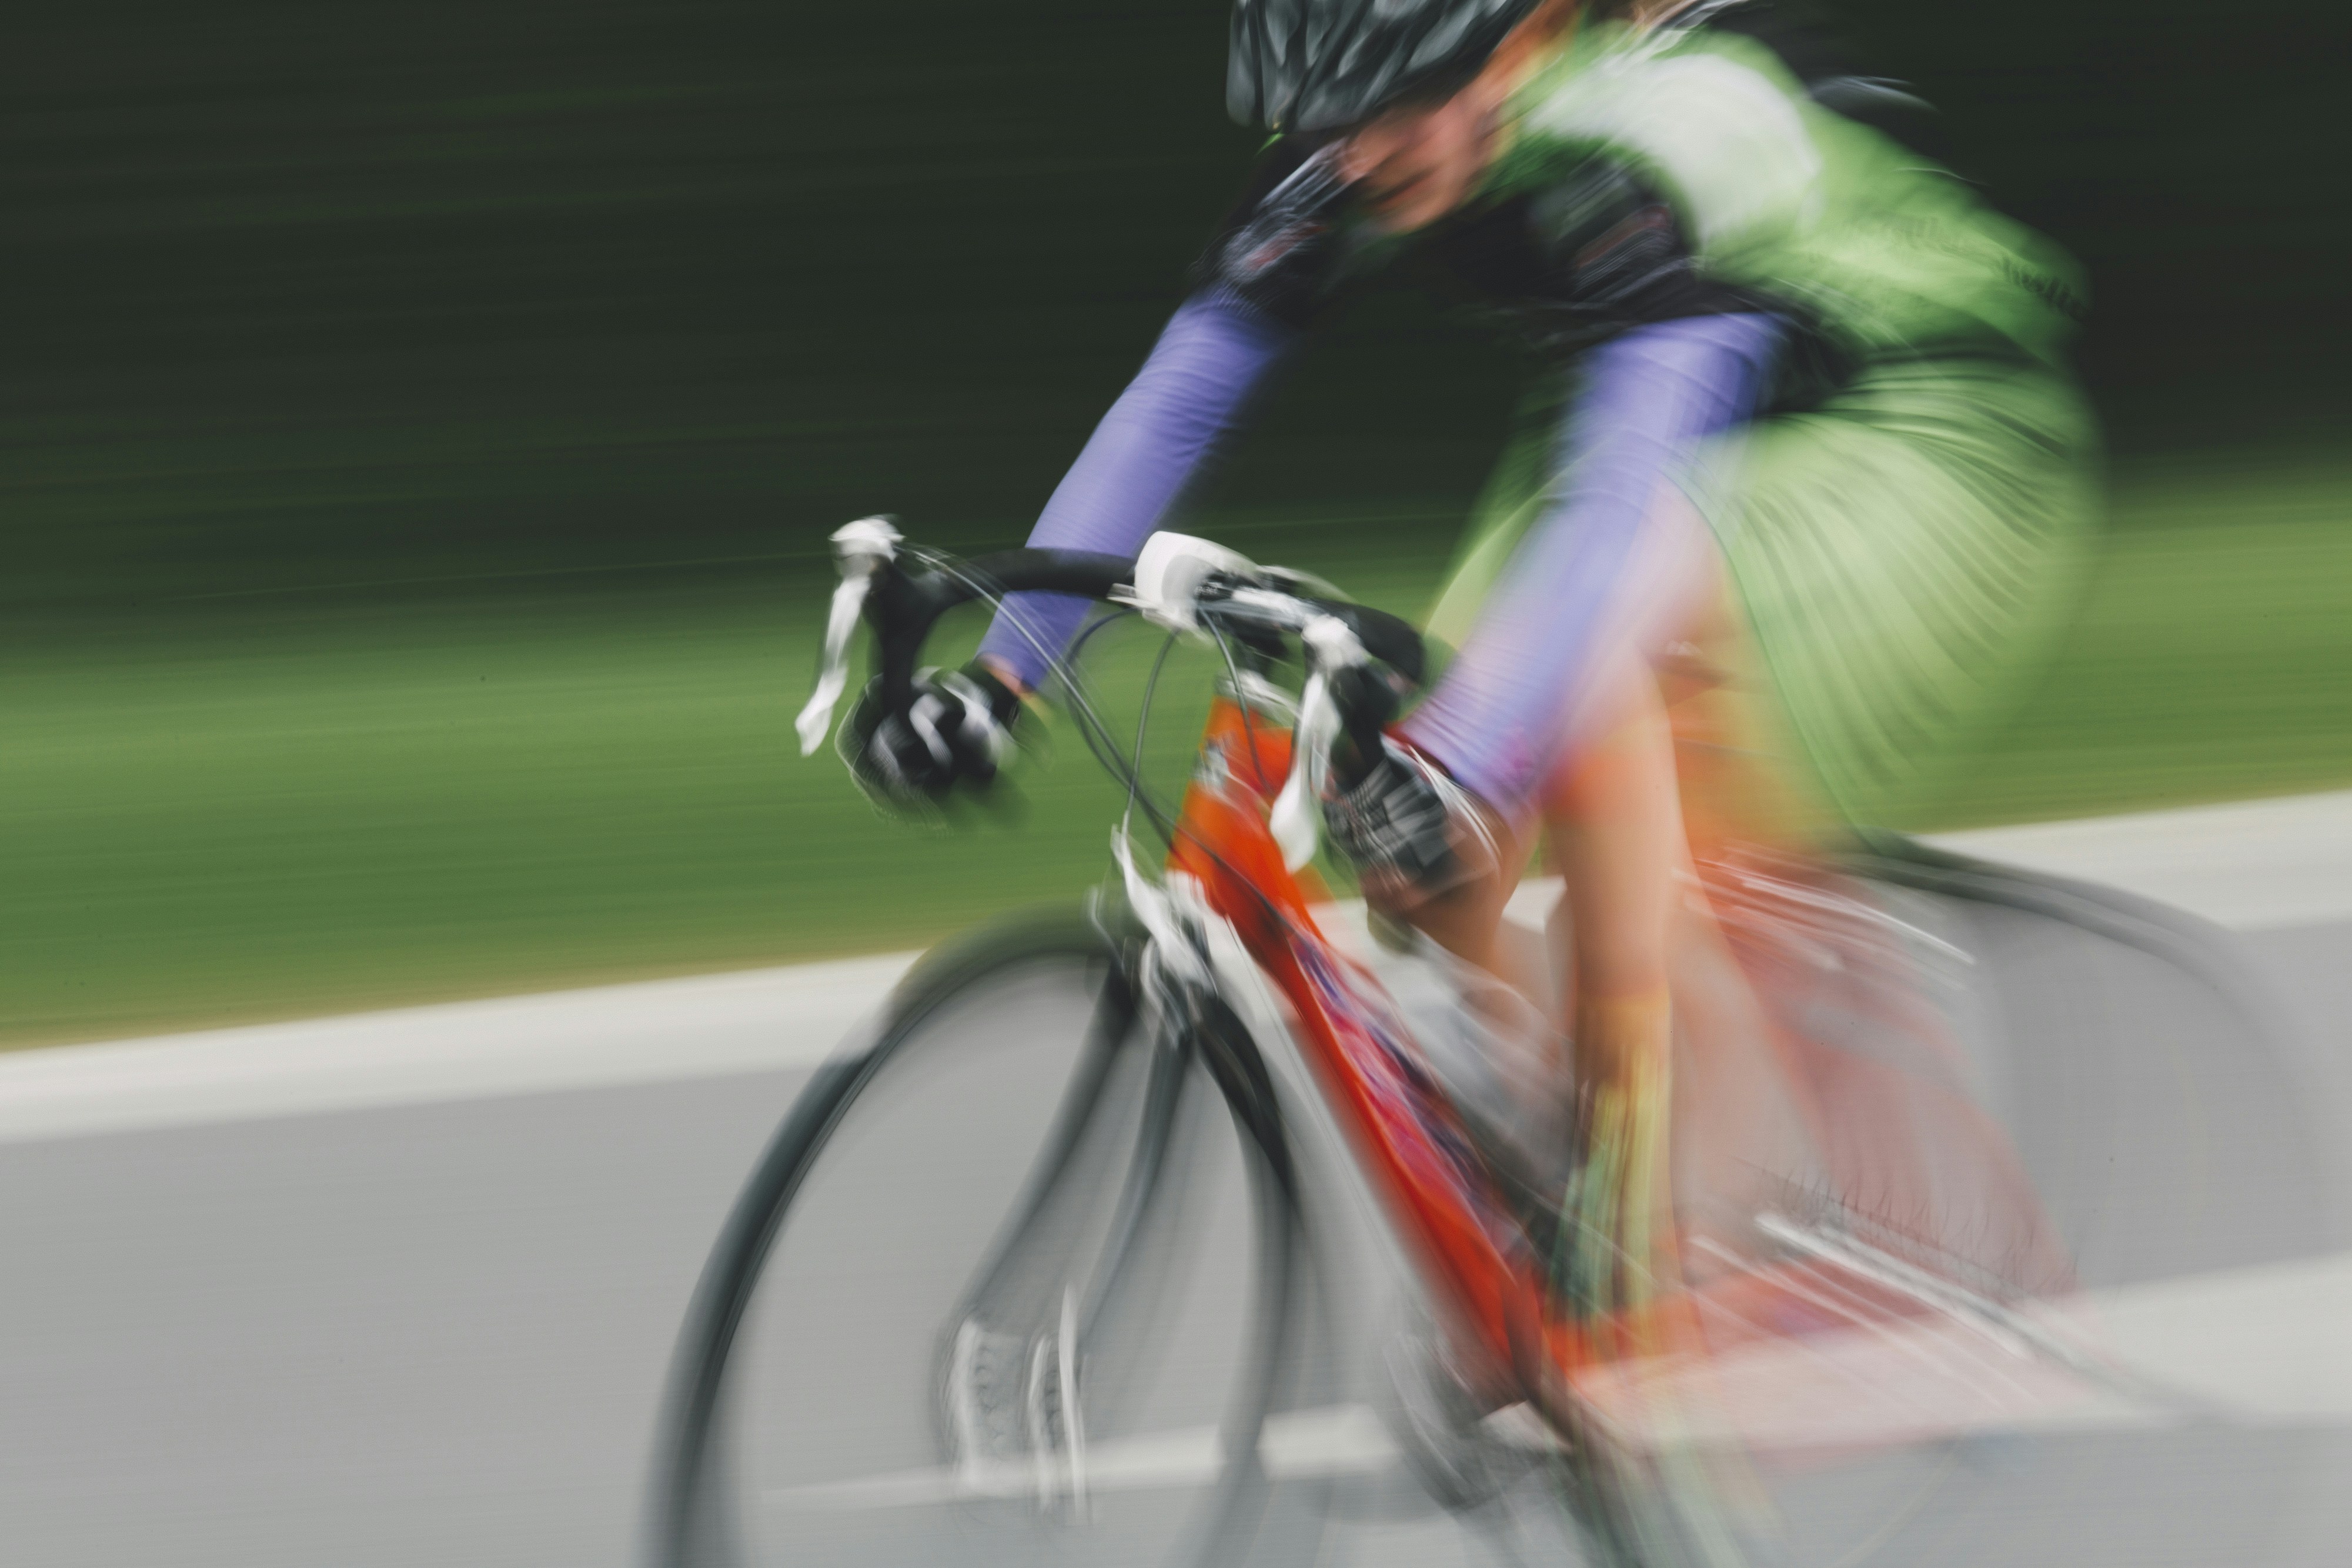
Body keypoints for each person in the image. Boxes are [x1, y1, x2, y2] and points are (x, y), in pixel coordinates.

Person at [852, 0, 2093, 1319]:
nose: (1358, 158)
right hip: (1673, 428)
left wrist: (1472, 758)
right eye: (1324, 126)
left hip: (1915, 420)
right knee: (1417, 837)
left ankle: (1632, 1232)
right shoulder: (1347, 146)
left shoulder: (1651, 147)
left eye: (1395, 110)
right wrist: (1001, 681)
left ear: (1512, 52)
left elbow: (1626, 489)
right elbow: (1182, 396)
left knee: (1568, 714)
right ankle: (1556, 1195)